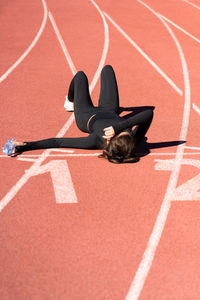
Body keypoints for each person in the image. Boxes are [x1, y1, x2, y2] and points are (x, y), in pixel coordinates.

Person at [11, 65, 153, 163]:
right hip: (110, 110)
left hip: (87, 115)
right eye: (127, 132)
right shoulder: (133, 140)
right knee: (107, 69)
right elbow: (148, 114)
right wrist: (120, 127)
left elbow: (58, 142)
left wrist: (25, 145)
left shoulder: (95, 141)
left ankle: (69, 101)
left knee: (80, 76)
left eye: (123, 132)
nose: (126, 131)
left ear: (110, 141)